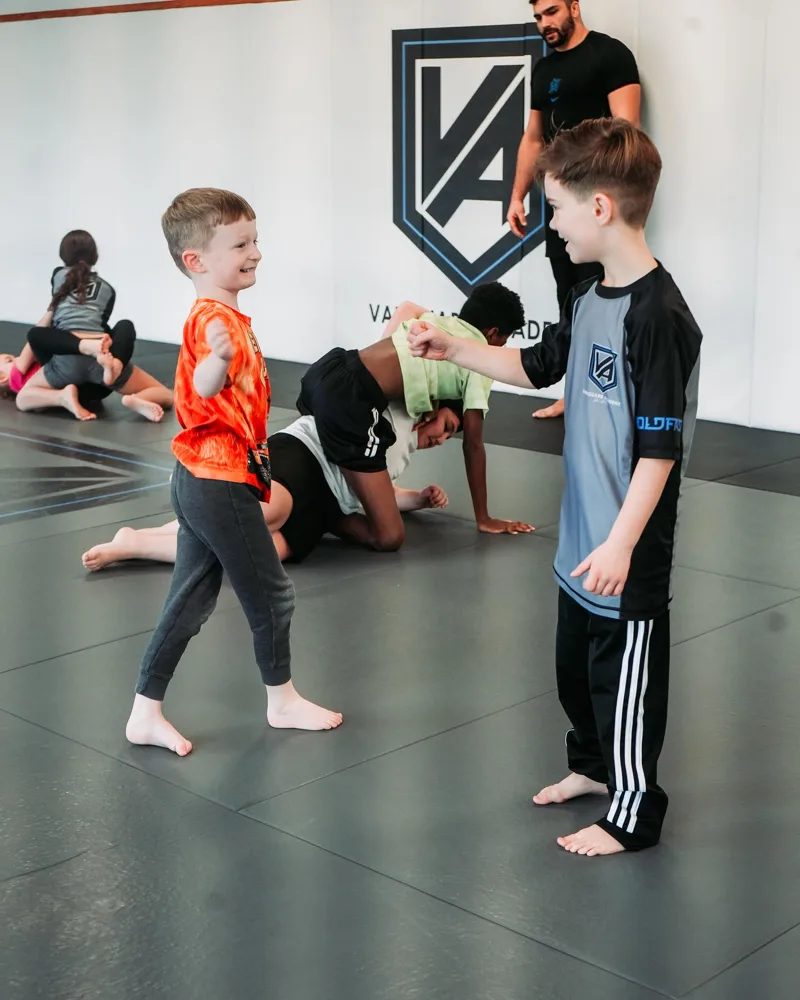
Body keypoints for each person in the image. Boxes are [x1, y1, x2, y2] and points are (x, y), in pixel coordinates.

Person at [409, 118, 702, 856]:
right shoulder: (589, 295)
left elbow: (661, 451)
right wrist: (454, 348)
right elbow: (536, 367)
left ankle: (633, 811)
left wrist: (623, 544)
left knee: (624, 676)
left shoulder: (659, 317)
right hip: (579, 539)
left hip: (624, 547)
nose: (553, 226)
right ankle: (594, 768)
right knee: (576, 670)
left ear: (601, 208)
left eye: (559, 209)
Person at [126, 187, 342, 758]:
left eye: (256, 240)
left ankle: (144, 713)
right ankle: (282, 698)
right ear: (196, 260)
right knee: (272, 594)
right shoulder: (209, 323)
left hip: (204, 478)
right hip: (215, 482)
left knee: (190, 599)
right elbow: (200, 388)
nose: (256, 252)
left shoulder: (228, 317)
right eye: (241, 244)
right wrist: (218, 362)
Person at [296, 282, 534, 554]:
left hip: (326, 369)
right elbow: (473, 444)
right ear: (492, 334)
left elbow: (408, 310)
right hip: (349, 399)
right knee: (388, 536)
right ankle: (323, 514)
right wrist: (484, 517)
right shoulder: (480, 356)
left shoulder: (435, 322)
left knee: (322, 457)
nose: (503, 346)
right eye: (505, 340)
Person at [81, 401, 458, 570]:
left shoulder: (401, 455)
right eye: (447, 427)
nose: (442, 438)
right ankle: (160, 520)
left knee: (263, 552)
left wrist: (419, 499)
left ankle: (138, 543)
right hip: (303, 452)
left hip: (328, 504)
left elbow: (378, 495)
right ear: (430, 411)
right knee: (267, 512)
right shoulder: (396, 411)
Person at [508, 0, 641, 420]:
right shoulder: (545, 71)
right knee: (571, 299)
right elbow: (533, 138)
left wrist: (606, 200)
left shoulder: (611, 55)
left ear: (574, 7)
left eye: (551, 12)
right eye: (538, 17)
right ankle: (573, 393)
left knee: (610, 299)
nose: (544, 23)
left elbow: (627, 134)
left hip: (601, 208)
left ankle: (614, 395)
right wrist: (517, 195)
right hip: (561, 208)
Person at [8, 230, 172, 421]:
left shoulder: (58, 275)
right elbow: (103, 324)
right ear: (95, 257)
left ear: (63, 257)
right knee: (165, 393)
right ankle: (134, 394)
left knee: (24, 398)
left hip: (66, 362)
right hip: (101, 359)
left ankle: (62, 396)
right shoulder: (107, 288)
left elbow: (51, 319)